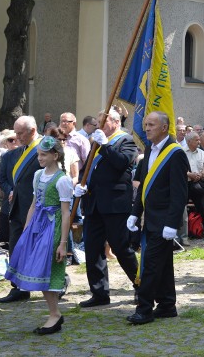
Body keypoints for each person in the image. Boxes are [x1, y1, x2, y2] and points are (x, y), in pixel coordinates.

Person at [125, 112, 189, 324]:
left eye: (151, 125)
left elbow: (179, 193)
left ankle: (144, 309)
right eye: (145, 125)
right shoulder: (148, 150)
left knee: (150, 265)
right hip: (150, 219)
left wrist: (172, 224)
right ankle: (167, 304)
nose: (146, 128)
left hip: (164, 221)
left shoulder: (175, 153)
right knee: (163, 264)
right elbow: (144, 186)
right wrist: (135, 213)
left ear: (164, 128)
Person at [4, 136, 73, 334]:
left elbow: (66, 213)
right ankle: (54, 313)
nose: (40, 158)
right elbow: (34, 204)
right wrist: (27, 230)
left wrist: (62, 243)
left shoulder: (62, 180)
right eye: (38, 155)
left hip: (53, 227)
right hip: (37, 226)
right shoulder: (37, 175)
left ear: (55, 155)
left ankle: (55, 314)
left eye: (43, 155)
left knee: (48, 270)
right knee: (39, 269)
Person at [74, 109, 139, 307]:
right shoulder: (98, 142)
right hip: (93, 203)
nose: (98, 125)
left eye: (103, 121)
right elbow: (90, 170)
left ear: (116, 122)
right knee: (93, 249)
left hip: (115, 204)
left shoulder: (126, 141)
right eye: (97, 121)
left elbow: (121, 164)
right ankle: (99, 293)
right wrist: (81, 185)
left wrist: (104, 146)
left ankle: (141, 285)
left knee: (121, 248)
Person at [0, 116, 43, 303]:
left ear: (32, 131)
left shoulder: (45, 147)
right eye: (15, 133)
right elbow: (6, 179)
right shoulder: (17, 152)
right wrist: (10, 191)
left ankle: (58, 281)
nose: (16, 137)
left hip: (38, 207)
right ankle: (18, 287)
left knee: (41, 248)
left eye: (20, 133)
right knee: (15, 246)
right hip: (16, 207)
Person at [184, 131, 204, 239]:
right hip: (185, 184)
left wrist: (201, 174)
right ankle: (181, 234)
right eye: (196, 140)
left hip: (198, 184)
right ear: (189, 141)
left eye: (198, 139)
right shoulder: (182, 152)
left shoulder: (201, 153)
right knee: (181, 208)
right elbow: (178, 168)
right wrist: (189, 174)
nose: (199, 142)